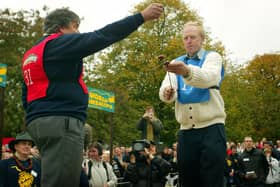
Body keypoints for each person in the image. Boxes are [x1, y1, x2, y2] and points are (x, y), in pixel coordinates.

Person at [21, 4, 164, 187]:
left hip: (39, 122)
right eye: (76, 27)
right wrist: (140, 17)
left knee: (64, 177)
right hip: (62, 122)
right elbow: (103, 36)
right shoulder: (59, 43)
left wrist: (38, 117)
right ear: (64, 27)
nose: (78, 32)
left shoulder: (32, 54)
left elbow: (26, 93)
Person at [159, 21, 226, 187]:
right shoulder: (177, 61)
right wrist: (168, 92)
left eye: (193, 37)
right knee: (188, 181)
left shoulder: (212, 57)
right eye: (185, 38)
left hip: (212, 128)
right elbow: (167, 88)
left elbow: (209, 78)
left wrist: (187, 71)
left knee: (212, 180)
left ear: (202, 39)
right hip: (186, 131)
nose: (188, 41)